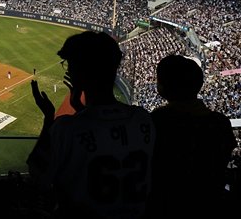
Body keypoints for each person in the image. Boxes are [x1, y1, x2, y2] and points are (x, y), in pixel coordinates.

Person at [27, 31, 155, 219]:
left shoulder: (67, 128)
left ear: (80, 72)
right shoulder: (143, 119)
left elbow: (37, 176)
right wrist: (80, 108)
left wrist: (49, 118)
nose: (68, 70)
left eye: (70, 65)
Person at [147, 54, 237, 218]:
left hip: (167, 206)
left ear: (163, 87)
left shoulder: (157, 121)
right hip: (209, 205)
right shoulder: (220, 123)